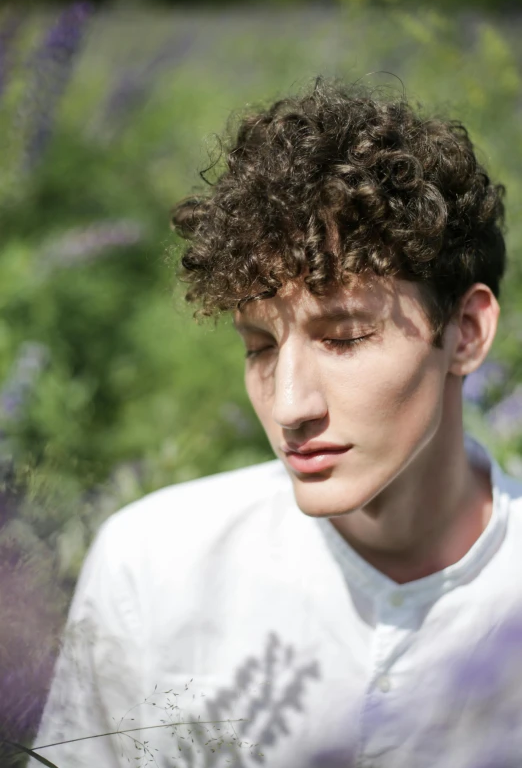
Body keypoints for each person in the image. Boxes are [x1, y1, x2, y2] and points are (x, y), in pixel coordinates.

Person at [30, 78, 522, 768]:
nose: (290, 405)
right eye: (259, 346)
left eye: (345, 337)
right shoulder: (152, 564)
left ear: (466, 332)